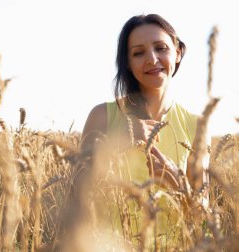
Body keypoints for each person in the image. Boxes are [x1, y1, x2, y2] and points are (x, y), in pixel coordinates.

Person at [80, 13, 210, 248]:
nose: (152, 59)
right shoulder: (102, 117)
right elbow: (75, 200)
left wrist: (175, 180)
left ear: (178, 52)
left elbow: (202, 217)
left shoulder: (196, 126)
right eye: (138, 53)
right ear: (128, 63)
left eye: (161, 48)